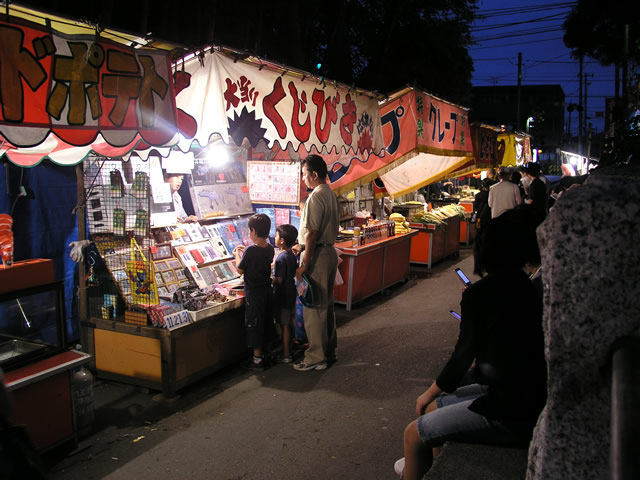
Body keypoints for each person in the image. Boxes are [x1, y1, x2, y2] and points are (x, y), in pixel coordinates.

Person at [395, 214, 547, 479]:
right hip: (528, 396)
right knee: (432, 411)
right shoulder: (526, 285)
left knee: (413, 432)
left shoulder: (480, 295)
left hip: (509, 412)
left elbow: (462, 358)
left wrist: (427, 394)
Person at [294, 154, 340, 372]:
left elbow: (311, 234)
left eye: (304, 174)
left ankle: (315, 357)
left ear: (314, 175)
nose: (303, 179)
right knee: (326, 305)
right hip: (329, 252)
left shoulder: (315, 197)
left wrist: (305, 263)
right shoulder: (329, 193)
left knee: (314, 308)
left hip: (318, 255)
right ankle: (328, 352)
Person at [233, 213, 275, 370]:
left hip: (254, 294)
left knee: (255, 323)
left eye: (249, 231)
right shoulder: (270, 248)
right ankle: (268, 354)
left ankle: (257, 359)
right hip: (267, 291)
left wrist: (237, 255)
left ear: (254, 231)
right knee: (267, 321)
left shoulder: (250, 250)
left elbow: (240, 270)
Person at [273, 224, 299, 363]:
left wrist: (270, 279)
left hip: (282, 295)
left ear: (282, 240)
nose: (274, 238)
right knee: (290, 321)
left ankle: (286, 354)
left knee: (283, 325)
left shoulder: (280, 258)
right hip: (291, 292)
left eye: (276, 236)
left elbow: (279, 279)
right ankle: (291, 347)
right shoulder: (290, 255)